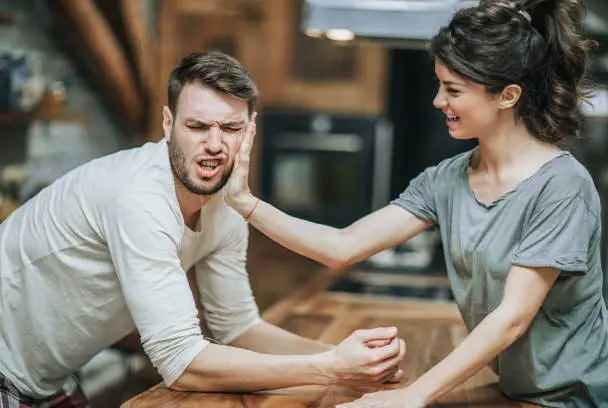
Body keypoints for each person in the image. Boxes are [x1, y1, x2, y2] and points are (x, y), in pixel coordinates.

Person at [225, 0, 608, 407]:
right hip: (520, 394)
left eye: (453, 90)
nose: (437, 101)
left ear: (508, 95)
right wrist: (245, 202)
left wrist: (414, 396)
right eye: (439, 85)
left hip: (587, 396)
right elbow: (342, 246)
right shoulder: (447, 179)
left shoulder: (562, 187)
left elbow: (512, 317)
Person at [0, 51, 406, 407]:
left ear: (249, 130)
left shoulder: (226, 205)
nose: (215, 145)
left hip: (47, 376)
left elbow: (238, 328)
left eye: (230, 129)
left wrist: (353, 360)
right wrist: (331, 367)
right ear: (168, 123)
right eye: (197, 127)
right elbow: (182, 365)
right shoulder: (139, 198)